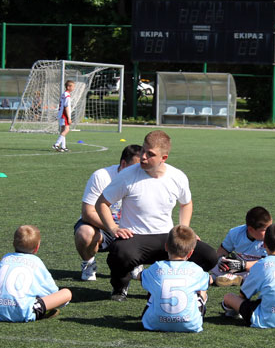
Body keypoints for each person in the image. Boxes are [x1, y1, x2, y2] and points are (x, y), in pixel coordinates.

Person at [95, 130, 217, 301]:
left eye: (150, 154)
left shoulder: (177, 177)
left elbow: (186, 203)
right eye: (143, 151)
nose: (143, 157)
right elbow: (101, 203)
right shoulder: (127, 176)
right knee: (119, 252)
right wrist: (113, 227)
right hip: (135, 237)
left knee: (209, 256)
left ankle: (174, 283)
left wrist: (184, 229)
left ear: (163, 158)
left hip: (167, 237)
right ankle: (120, 285)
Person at [75, 144, 143, 281]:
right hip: (102, 225)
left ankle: (136, 263)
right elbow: (88, 212)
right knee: (84, 233)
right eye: (136, 166)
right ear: (123, 164)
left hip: (130, 227)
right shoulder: (102, 176)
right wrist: (114, 228)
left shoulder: (144, 179)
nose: (139, 171)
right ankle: (89, 264)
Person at [0, 225, 72, 322]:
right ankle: (44, 310)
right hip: (23, 312)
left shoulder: (5, 258)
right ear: (37, 247)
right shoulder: (36, 262)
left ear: (13, 243)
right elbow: (52, 291)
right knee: (66, 293)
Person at [140, 225, 209, 332]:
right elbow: (210, 280)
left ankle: (157, 315)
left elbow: (140, 276)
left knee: (153, 286)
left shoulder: (157, 267)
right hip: (191, 325)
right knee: (203, 287)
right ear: (190, 253)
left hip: (152, 324)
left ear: (166, 247)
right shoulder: (196, 269)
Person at [210, 206, 272, 287]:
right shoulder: (235, 233)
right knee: (212, 262)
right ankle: (210, 279)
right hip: (238, 266)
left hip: (258, 267)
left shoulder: (271, 236)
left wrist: (243, 265)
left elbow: (270, 261)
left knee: (268, 272)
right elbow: (222, 251)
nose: (269, 231)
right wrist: (221, 260)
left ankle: (236, 279)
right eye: (265, 230)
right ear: (251, 230)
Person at [53, 80, 74, 152]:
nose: (73, 88)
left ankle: (63, 147)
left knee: (62, 130)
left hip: (61, 114)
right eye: (72, 86)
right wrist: (69, 118)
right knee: (66, 130)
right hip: (64, 114)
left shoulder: (63, 94)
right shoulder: (67, 95)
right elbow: (66, 107)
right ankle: (56, 144)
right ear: (68, 87)